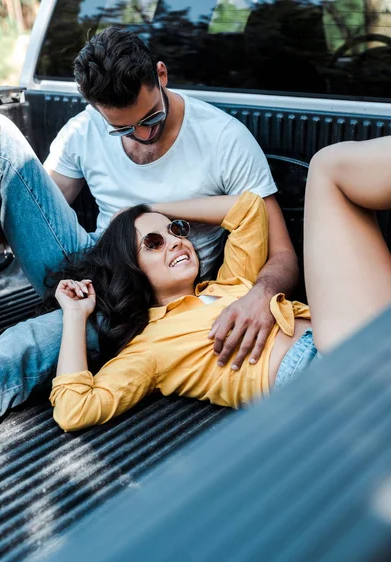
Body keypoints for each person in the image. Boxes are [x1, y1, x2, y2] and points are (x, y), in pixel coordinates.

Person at [0, 27, 297, 419]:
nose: (142, 134)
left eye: (150, 118)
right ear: (96, 108)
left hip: (138, 301)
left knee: (23, 343)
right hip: (92, 261)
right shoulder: (84, 129)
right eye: (122, 128)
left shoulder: (223, 139)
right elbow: (29, 216)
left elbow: (283, 254)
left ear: (162, 75)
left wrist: (259, 296)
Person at [49, 135, 391, 431]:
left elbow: (248, 209)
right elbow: (74, 409)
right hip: (322, 375)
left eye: (176, 230)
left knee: (331, 167)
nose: (175, 241)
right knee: (328, 168)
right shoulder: (151, 346)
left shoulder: (227, 285)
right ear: (130, 269)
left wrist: (147, 208)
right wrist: (75, 316)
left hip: (340, 340)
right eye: (153, 243)